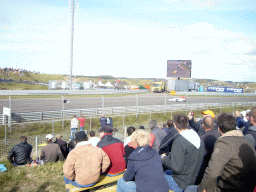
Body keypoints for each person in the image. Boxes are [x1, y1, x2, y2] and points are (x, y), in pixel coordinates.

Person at [196, 112, 256, 192]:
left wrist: (201, 189)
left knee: (189, 189)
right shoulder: (245, 142)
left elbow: (212, 173)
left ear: (219, 129)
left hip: (230, 188)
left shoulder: (224, 143)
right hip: (246, 187)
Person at [161, 114, 205, 192]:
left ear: (174, 125)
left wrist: (164, 158)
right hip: (195, 177)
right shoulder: (197, 137)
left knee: (157, 176)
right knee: (167, 172)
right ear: (188, 123)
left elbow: (176, 168)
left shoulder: (179, 141)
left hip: (181, 183)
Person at [195, 116, 220, 185]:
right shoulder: (219, 134)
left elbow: (200, 157)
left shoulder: (203, 138)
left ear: (203, 125)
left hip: (207, 168)